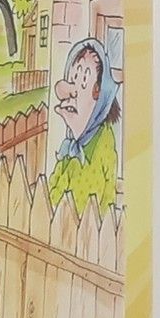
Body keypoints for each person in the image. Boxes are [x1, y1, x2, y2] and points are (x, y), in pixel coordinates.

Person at [48, 36, 121, 214]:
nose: (72, 92)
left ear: (99, 95)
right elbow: (51, 190)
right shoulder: (70, 146)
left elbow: (100, 198)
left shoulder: (101, 143)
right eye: (73, 78)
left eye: (83, 82)